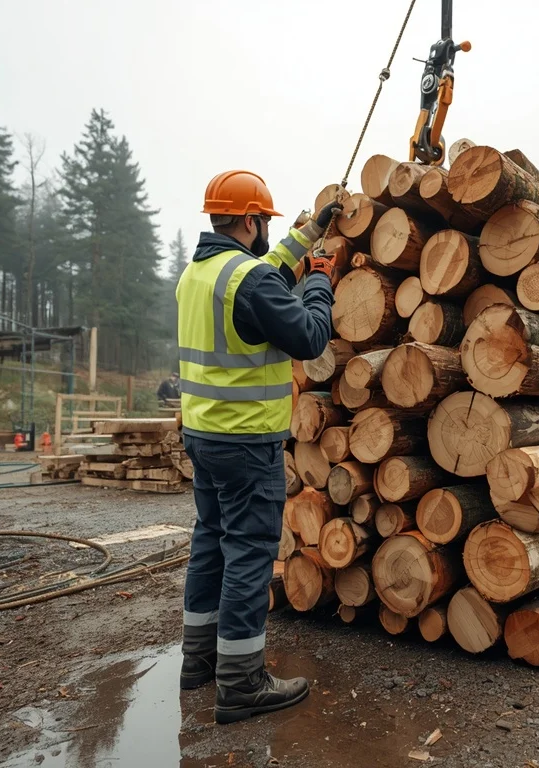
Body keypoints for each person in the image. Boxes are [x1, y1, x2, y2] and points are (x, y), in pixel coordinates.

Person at [176, 169, 340, 724]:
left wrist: (311, 229)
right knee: (249, 552)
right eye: (265, 222)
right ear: (249, 221)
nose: (270, 230)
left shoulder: (198, 274)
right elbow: (311, 336)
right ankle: (242, 682)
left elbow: (262, 271)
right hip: (247, 442)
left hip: (204, 436)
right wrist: (319, 277)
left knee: (211, 542)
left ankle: (198, 662)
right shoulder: (250, 280)